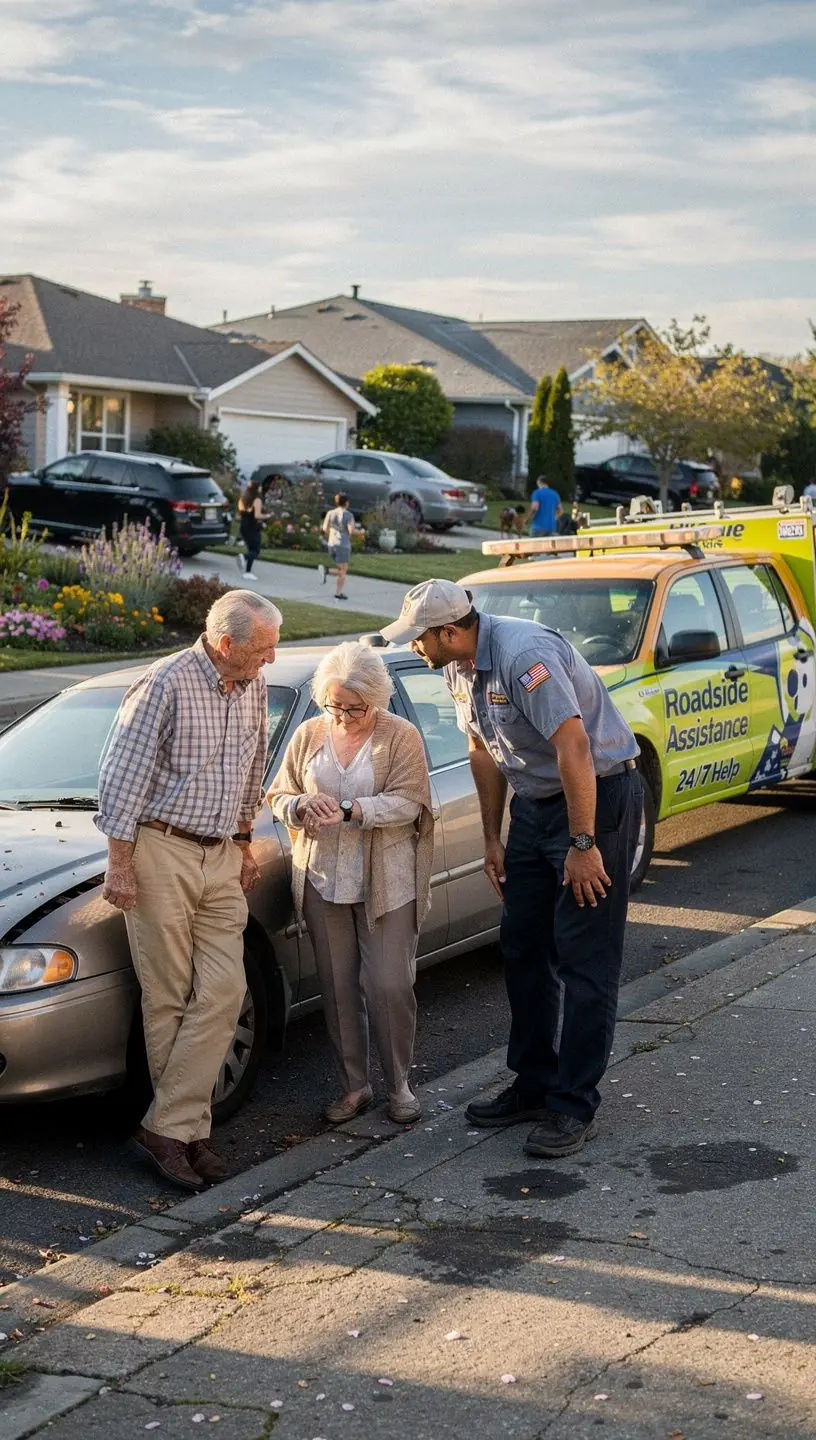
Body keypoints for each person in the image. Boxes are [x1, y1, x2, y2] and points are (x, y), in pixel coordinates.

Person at [380, 579, 642, 1160]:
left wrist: (583, 843)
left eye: (420, 638)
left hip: (593, 800)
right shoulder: (457, 665)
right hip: (533, 807)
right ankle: (534, 1084)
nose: (414, 649)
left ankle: (573, 1104)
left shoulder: (524, 655)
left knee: (585, 958)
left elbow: (574, 747)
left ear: (450, 631)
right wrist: (493, 838)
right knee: (523, 947)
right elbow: (482, 747)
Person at [97, 591, 282, 1190]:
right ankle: (189, 1133)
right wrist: (119, 864)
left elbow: (253, 765)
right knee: (169, 996)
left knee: (226, 991)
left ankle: (163, 1128)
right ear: (227, 644)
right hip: (160, 850)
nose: (268, 663)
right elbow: (121, 777)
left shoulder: (249, 684)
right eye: (261, 650)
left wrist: (247, 838)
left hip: (222, 851)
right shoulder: (164, 684)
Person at [267, 642, 434, 1126]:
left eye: (353, 708)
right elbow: (279, 794)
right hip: (322, 877)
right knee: (338, 989)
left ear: (376, 699)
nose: (342, 717)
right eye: (333, 705)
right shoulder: (308, 733)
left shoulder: (400, 736)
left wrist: (351, 810)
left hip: (387, 879)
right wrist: (299, 807)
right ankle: (354, 1086)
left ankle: (399, 1084)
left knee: (388, 984)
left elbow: (412, 801)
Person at [318, 492, 355, 600]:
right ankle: (338, 592)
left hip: (331, 543)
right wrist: (361, 532)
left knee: (341, 569)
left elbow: (324, 529)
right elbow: (350, 530)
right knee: (343, 570)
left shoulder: (330, 513)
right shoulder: (348, 515)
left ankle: (327, 572)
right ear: (347, 503)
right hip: (343, 545)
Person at [236, 481, 270, 580]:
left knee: (251, 549)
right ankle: (244, 557)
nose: (261, 488)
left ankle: (248, 572)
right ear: (256, 487)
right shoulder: (257, 500)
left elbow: (239, 515)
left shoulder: (244, 498)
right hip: (252, 527)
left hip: (244, 526)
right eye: (259, 486)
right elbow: (257, 515)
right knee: (255, 551)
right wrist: (267, 516)